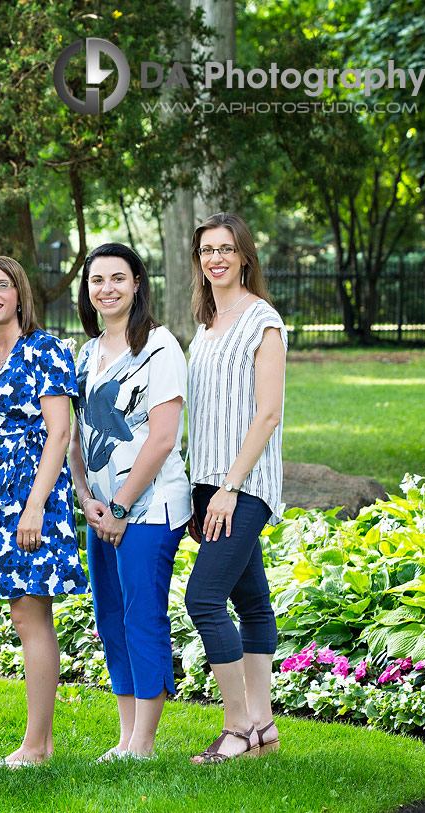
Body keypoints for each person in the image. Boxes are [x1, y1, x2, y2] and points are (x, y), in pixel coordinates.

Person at [67, 243, 191, 761]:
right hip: (102, 511)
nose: (107, 289)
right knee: (111, 616)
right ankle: (125, 737)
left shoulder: (160, 347)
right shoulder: (86, 352)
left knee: (142, 616)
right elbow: (74, 434)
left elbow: (162, 438)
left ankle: (144, 743)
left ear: (138, 283)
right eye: (97, 280)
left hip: (149, 509)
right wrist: (85, 496)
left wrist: (118, 507)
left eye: (118, 278)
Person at [0, 256, 84, 768]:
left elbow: (60, 432)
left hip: (34, 495)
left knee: (31, 614)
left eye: (1, 285)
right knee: (21, 613)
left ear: (19, 293)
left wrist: (34, 506)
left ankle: (38, 745)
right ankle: (37, 742)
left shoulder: (47, 350)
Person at [184, 211, 286, 763]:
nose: (216, 258)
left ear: (244, 256)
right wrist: (203, 489)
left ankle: (237, 726)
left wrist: (228, 487)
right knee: (251, 600)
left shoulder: (262, 321)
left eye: (226, 249)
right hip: (210, 484)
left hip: (242, 485)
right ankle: (264, 727)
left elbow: (267, 414)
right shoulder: (206, 324)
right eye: (206, 251)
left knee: (203, 599)